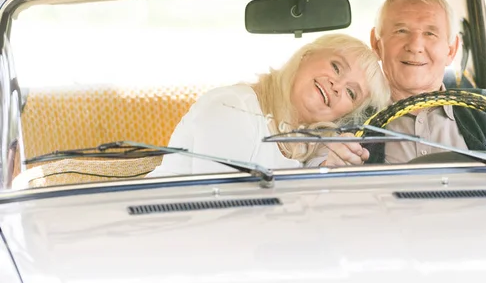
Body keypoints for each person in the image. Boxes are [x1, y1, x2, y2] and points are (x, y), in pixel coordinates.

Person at [324, 0, 486, 167]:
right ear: (376, 43)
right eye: (401, 31)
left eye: (430, 33)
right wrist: (334, 165)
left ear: (451, 50)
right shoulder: (350, 122)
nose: (415, 46)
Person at [147, 33, 390, 177]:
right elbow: (217, 209)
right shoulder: (233, 108)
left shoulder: (312, 144)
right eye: (336, 67)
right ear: (306, 55)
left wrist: (330, 171)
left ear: (346, 112)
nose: (336, 86)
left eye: (350, 92)